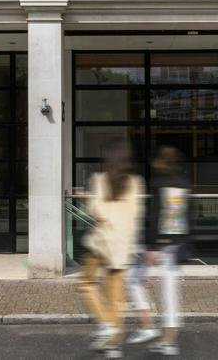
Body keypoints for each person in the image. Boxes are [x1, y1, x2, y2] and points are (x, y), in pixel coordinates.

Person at [79, 139, 144, 357]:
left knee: (87, 283)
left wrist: (86, 199)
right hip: (122, 246)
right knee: (117, 298)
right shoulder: (135, 182)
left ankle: (106, 324)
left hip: (101, 243)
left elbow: (94, 210)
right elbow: (136, 214)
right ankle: (114, 345)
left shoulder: (100, 179)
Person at [139, 145, 192, 357]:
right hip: (177, 243)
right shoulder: (183, 183)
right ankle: (168, 337)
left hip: (164, 244)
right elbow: (185, 217)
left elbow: (156, 217)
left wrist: (153, 246)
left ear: (161, 161)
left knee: (164, 290)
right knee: (169, 291)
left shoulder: (160, 183)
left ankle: (168, 339)